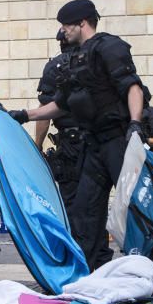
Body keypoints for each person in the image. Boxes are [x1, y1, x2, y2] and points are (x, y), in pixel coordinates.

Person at [6, 0, 153, 276]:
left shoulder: (109, 47)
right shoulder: (74, 59)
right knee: (84, 213)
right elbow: (61, 104)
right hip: (93, 144)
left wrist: (134, 124)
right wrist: (23, 115)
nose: (63, 31)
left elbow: (132, 87)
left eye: (66, 25)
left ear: (82, 23)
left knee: (138, 209)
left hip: (118, 140)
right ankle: (88, 277)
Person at [33, 30, 85, 210]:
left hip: (71, 145)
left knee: (70, 202)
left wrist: (37, 146)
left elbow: (44, 112)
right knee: (95, 202)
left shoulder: (56, 66)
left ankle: (74, 236)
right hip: (100, 142)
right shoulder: (98, 59)